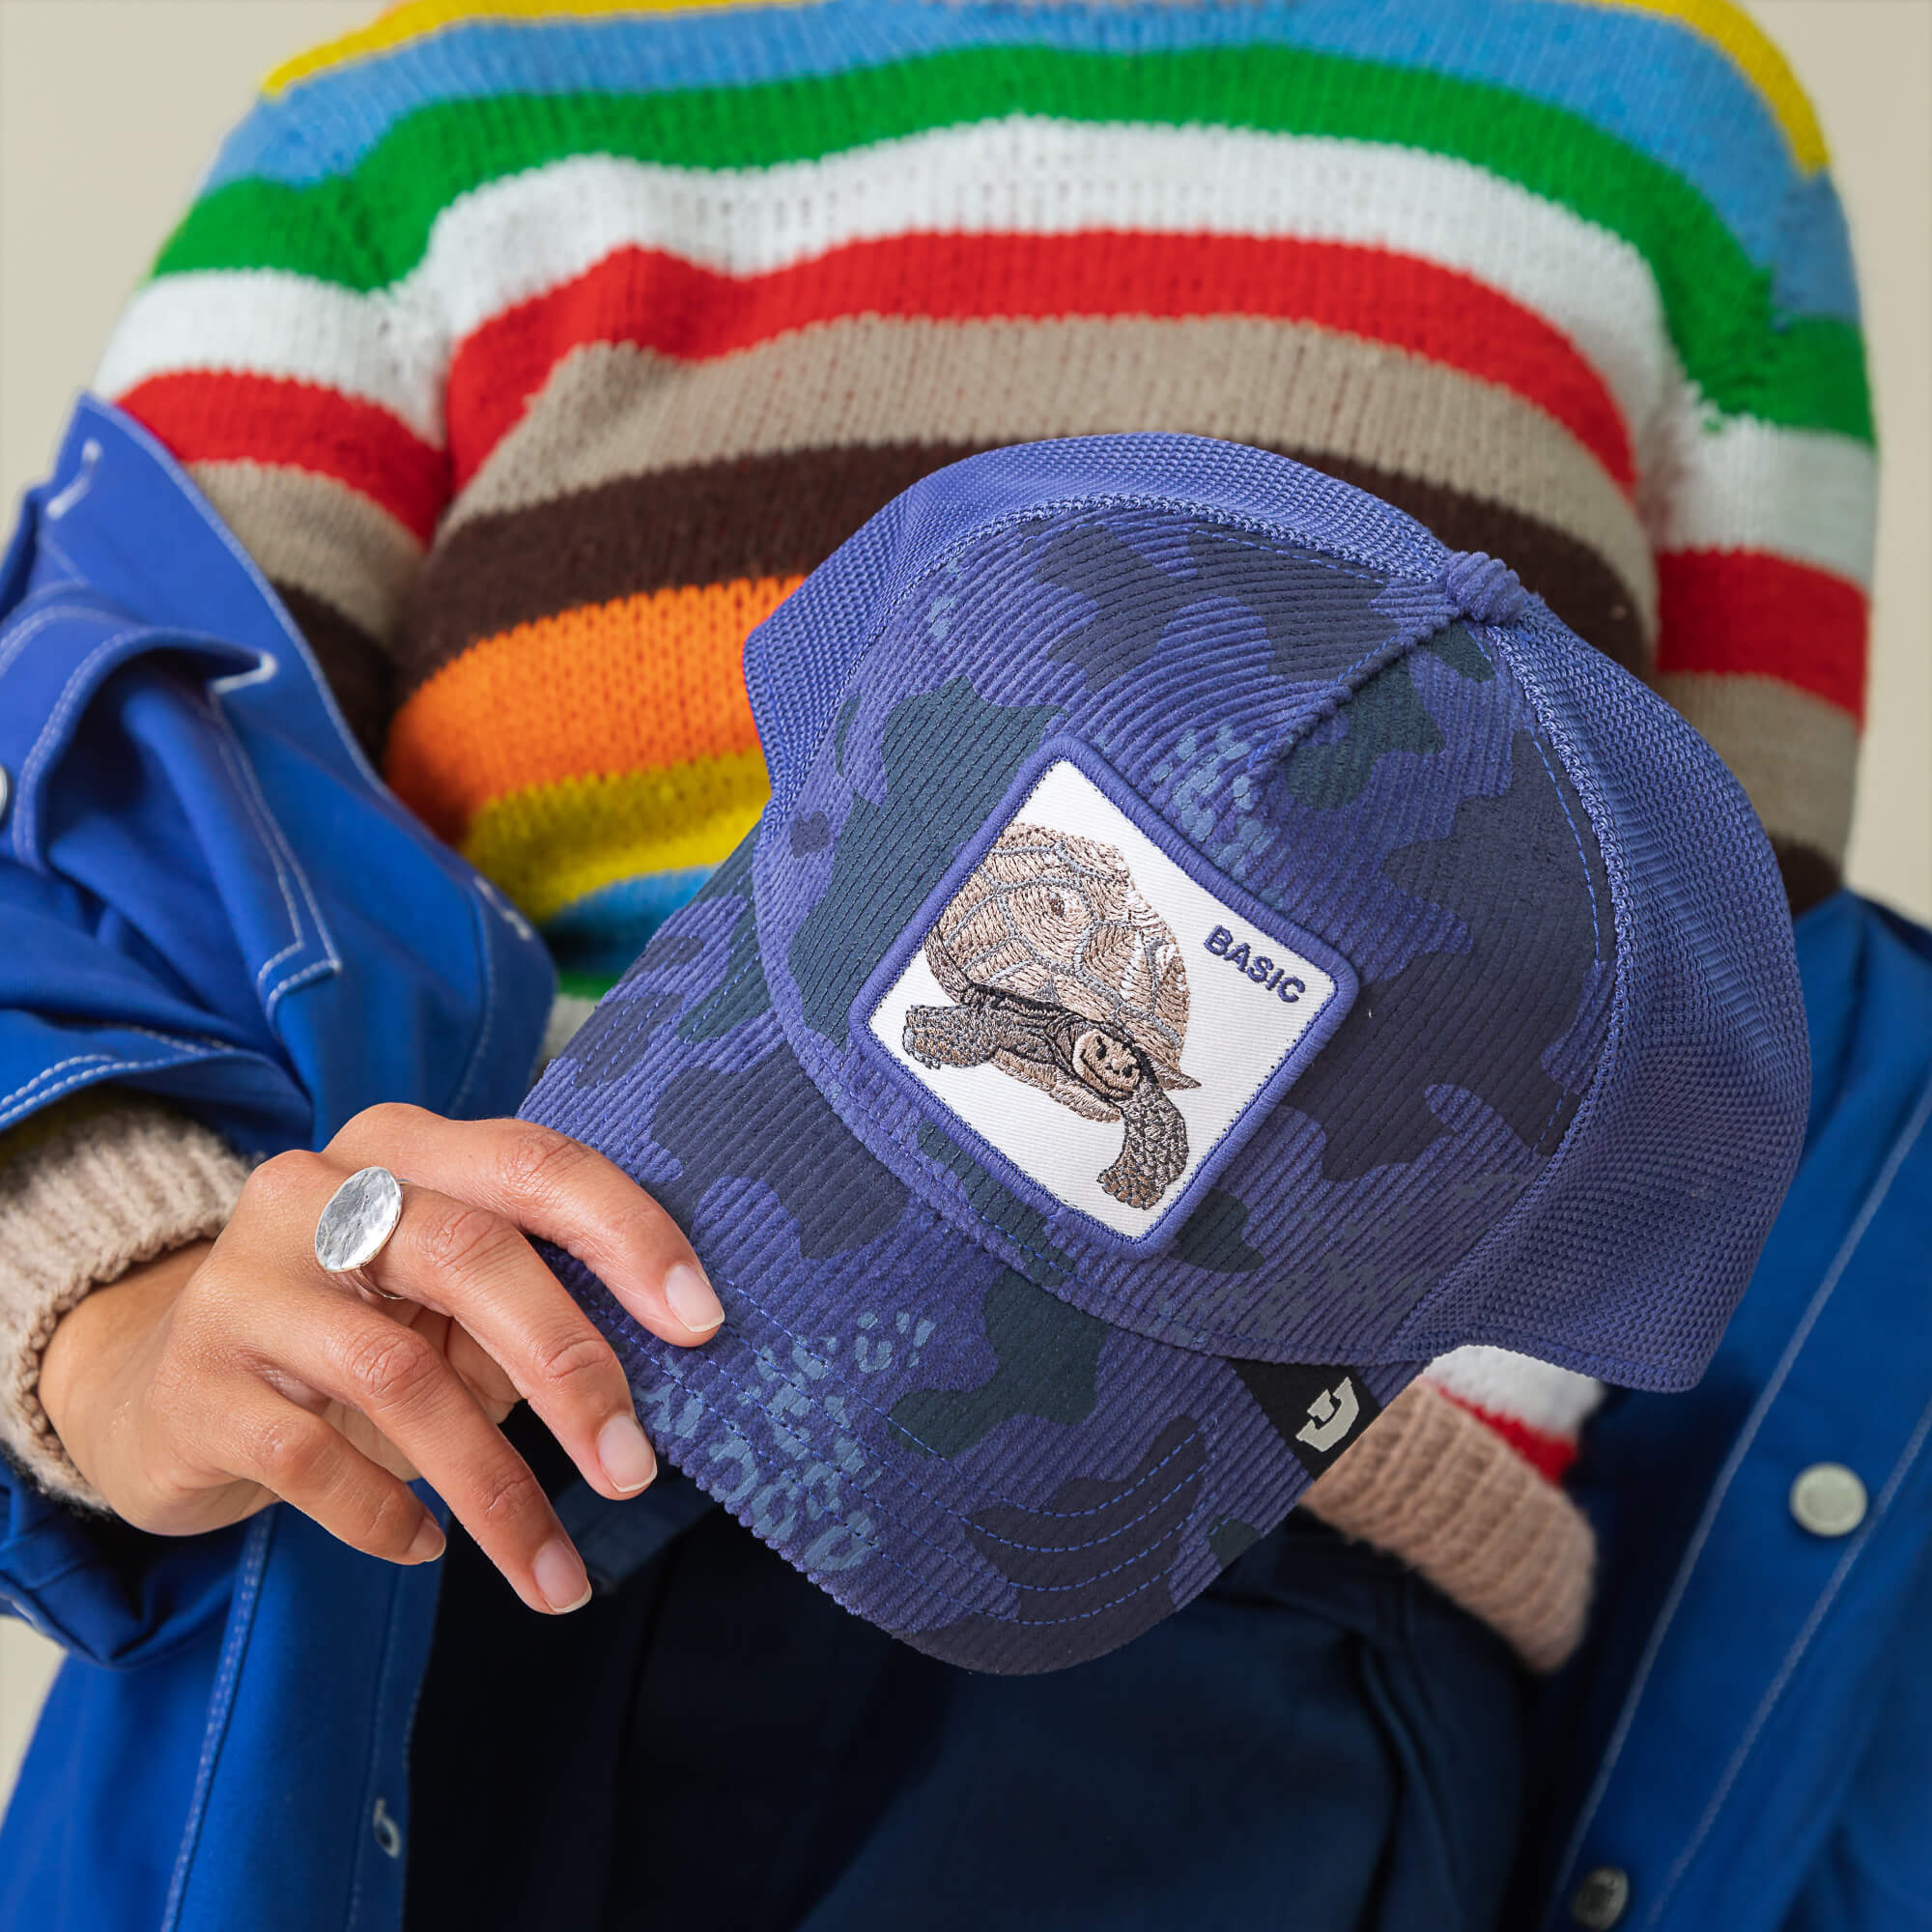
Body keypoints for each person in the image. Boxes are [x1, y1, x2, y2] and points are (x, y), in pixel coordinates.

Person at [0, 5, 1919, 1931]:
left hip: (1265, 1626)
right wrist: (110, 1304)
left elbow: (1734, 1064)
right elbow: (68, 864)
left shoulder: (1651, 121)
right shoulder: (399, 134)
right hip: (474, 1522)